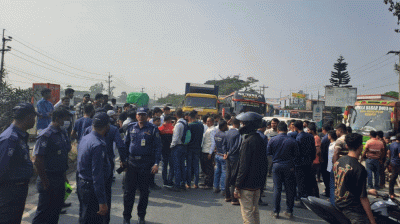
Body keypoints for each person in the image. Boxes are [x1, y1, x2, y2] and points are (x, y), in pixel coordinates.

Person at [32, 107, 71, 224]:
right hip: (48, 178)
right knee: (43, 213)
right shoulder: (46, 135)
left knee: (55, 211)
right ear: (57, 118)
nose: (67, 122)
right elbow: (38, 160)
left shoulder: (63, 133)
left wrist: (64, 177)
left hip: (60, 177)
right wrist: (45, 181)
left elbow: (62, 157)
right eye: (65, 119)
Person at [122, 107, 162, 224]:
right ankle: (126, 217)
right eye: (139, 115)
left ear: (146, 116)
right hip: (131, 163)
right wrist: (123, 160)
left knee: (144, 192)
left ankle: (141, 216)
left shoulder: (153, 129)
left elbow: (158, 147)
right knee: (128, 192)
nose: (141, 117)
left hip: (146, 164)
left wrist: (156, 163)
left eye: (143, 115)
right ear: (136, 116)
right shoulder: (131, 127)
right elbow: (125, 144)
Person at [0, 103, 37, 224]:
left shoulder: (20, 136)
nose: (34, 120)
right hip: (10, 191)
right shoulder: (10, 138)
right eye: (34, 117)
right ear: (28, 117)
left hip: (18, 189)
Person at [233, 112, 268, 224]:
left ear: (248, 125)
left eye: (243, 124)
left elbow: (243, 166)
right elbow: (264, 164)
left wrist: (237, 185)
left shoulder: (247, 142)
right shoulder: (260, 140)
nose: (241, 126)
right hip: (256, 184)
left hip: (247, 185)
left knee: (247, 213)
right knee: (254, 211)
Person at [333, 133, 376, 224]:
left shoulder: (339, 162)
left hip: (338, 204)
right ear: (361, 146)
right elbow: (363, 198)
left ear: (347, 146)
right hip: (352, 210)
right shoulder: (359, 168)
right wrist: (372, 221)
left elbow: (346, 184)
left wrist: (368, 190)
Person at [76, 112, 111, 223]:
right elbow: (97, 175)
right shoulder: (98, 145)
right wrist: (102, 201)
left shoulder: (85, 138)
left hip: (83, 184)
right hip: (91, 189)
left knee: (84, 216)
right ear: (107, 126)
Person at [267, 122, 299, 219]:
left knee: (277, 188)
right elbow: (296, 155)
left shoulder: (272, 140)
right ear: (287, 130)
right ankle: (289, 211)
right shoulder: (292, 141)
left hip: (276, 165)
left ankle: (276, 211)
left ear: (278, 130)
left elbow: (268, 153)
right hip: (289, 166)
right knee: (290, 189)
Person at [293, 120, 318, 201]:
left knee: (300, 182)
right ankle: (308, 197)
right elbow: (314, 149)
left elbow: (297, 152)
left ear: (295, 127)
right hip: (309, 161)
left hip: (300, 162)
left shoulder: (299, 137)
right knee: (307, 180)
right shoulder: (310, 136)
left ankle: (302, 199)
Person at [169, 109, 188, 192]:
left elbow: (176, 137)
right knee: (182, 166)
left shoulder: (178, 125)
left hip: (177, 147)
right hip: (184, 146)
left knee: (176, 166)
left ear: (175, 115)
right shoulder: (185, 122)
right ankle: (183, 183)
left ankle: (177, 184)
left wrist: (171, 146)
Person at [224, 118, 241, 206]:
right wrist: (230, 153)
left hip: (227, 156)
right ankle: (234, 199)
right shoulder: (238, 133)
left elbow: (224, 144)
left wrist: (226, 153)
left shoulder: (228, 132)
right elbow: (237, 146)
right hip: (235, 157)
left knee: (228, 175)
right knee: (234, 177)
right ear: (238, 124)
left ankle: (227, 196)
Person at [186, 111, 204, 189]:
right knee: (196, 166)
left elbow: (187, 138)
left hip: (190, 148)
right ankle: (196, 184)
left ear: (190, 117)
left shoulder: (189, 125)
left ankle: (188, 183)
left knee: (189, 166)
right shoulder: (201, 125)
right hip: (198, 147)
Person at [331, 123, 348, 205]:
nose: (336, 133)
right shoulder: (349, 138)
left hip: (340, 165)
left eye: (336, 131)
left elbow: (336, 153)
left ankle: (334, 202)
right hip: (348, 164)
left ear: (340, 130)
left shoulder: (340, 140)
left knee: (337, 185)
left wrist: (335, 165)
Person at [200, 116, 216, 190]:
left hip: (208, 151)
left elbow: (213, 143)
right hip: (204, 150)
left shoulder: (213, 130)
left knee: (209, 168)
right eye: (207, 121)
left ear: (212, 122)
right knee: (205, 168)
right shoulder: (208, 129)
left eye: (209, 121)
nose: (207, 122)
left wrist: (210, 153)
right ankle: (206, 182)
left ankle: (209, 184)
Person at [159, 116, 174, 187]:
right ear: (169, 120)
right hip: (171, 149)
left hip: (163, 149)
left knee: (164, 166)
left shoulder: (160, 129)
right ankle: (170, 180)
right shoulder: (173, 128)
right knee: (171, 165)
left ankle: (165, 181)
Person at [213, 120, 228, 194]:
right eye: (226, 125)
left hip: (217, 155)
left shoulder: (216, 134)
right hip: (223, 156)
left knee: (217, 172)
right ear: (223, 126)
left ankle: (216, 187)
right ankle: (223, 189)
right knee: (223, 172)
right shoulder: (224, 135)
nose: (227, 127)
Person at [256, 120, 269, 206]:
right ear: (264, 128)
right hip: (262, 160)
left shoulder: (252, 135)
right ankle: (259, 198)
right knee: (261, 180)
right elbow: (266, 150)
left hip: (253, 160)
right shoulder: (263, 137)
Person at [320, 124, 333, 197]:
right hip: (328, 160)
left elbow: (322, 150)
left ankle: (328, 191)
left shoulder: (325, 138)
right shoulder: (328, 138)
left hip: (325, 160)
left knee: (326, 177)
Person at [389, 133, 400, 199]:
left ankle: (391, 192)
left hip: (393, 162)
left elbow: (389, 152)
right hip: (398, 163)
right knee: (394, 177)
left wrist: (390, 160)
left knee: (393, 177)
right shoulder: (399, 145)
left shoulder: (392, 144)